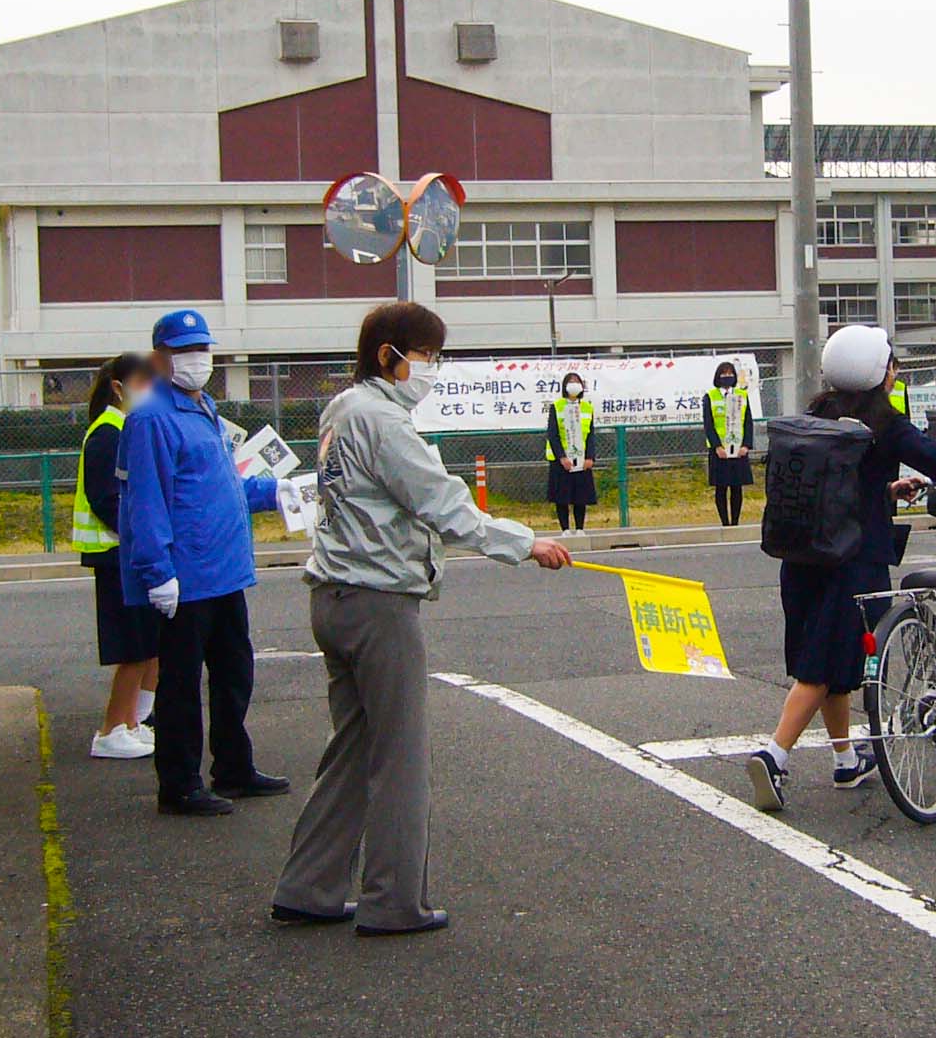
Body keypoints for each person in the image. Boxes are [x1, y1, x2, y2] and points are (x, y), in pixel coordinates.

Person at [272, 303, 571, 936]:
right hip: (379, 602)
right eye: (427, 356)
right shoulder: (385, 422)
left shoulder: (342, 409)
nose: (432, 368)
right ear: (390, 355)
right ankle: (393, 901)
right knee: (400, 758)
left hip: (331, 594)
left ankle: (309, 886)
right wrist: (525, 543)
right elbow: (444, 504)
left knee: (351, 750)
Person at [747, 325, 936, 812]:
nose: (894, 372)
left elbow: (833, 489)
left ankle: (844, 759)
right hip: (852, 560)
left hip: (802, 557)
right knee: (824, 663)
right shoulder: (885, 424)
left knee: (829, 664)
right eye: (891, 365)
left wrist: (884, 491)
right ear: (880, 373)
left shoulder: (817, 417)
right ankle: (774, 756)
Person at [118, 309, 299, 817]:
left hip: (223, 571)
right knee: (179, 686)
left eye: (202, 349)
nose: (197, 359)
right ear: (160, 358)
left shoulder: (205, 408)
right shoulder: (152, 417)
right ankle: (179, 785)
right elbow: (145, 500)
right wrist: (158, 572)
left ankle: (234, 768)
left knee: (233, 673)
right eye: (184, 351)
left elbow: (220, 483)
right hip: (185, 576)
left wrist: (272, 491)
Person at [74, 353, 159, 760]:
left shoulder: (124, 427)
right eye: (143, 382)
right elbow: (106, 498)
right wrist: (138, 532)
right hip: (114, 555)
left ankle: (131, 723)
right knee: (132, 648)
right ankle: (111, 729)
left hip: (126, 552)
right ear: (118, 386)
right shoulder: (107, 433)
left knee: (146, 644)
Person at [545, 371, 597, 536]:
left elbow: (590, 434)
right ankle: (565, 528)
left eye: (577, 381)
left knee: (580, 496)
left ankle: (580, 528)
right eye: (571, 381)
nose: (574, 384)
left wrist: (590, 457)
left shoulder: (587, 407)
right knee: (562, 495)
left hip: (581, 458)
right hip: (562, 460)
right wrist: (561, 457)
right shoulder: (557, 406)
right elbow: (553, 434)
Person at [702, 361, 754, 526]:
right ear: (717, 377)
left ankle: (735, 522)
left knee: (737, 487)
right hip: (719, 451)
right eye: (723, 374)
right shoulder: (710, 396)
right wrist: (717, 446)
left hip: (738, 449)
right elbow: (708, 424)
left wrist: (746, 445)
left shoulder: (742, 395)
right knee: (721, 487)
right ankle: (725, 522)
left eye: (730, 373)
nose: (727, 377)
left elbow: (748, 422)